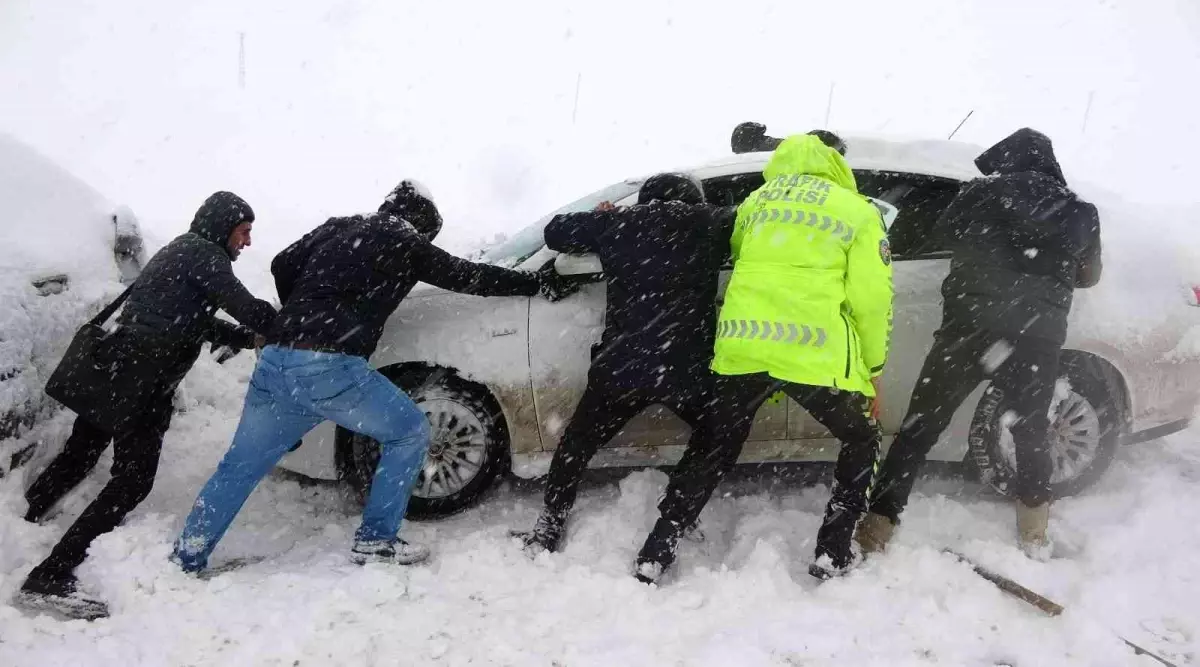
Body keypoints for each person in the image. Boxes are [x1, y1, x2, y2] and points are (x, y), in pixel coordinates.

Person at [170, 180, 578, 573]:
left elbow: (282, 263)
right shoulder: (405, 240)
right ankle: (376, 540)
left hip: (277, 360)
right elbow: (469, 276)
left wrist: (303, 310)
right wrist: (535, 281)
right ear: (422, 226)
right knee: (409, 431)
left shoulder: (341, 226)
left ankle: (188, 555)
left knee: (238, 466)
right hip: (329, 366)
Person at [636, 131, 894, 582]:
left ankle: (659, 545)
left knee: (714, 443)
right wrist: (870, 371)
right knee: (861, 438)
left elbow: (739, 256)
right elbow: (872, 300)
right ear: (835, 165)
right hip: (814, 352)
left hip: (746, 345)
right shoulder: (858, 211)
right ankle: (833, 549)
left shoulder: (755, 203)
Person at [18, 191, 277, 619]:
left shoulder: (181, 250)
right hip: (144, 379)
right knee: (132, 482)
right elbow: (246, 306)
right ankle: (51, 574)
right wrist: (290, 325)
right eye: (244, 231)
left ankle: (21, 527)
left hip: (118, 367)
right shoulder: (205, 255)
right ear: (224, 226)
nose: (246, 242)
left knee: (79, 455)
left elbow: (195, 321)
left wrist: (247, 339)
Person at [857, 128, 1102, 560]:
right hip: (1036, 336)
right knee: (1030, 433)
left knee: (919, 429)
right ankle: (1033, 535)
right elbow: (1089, 276)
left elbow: (943, 233)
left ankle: (878, 526)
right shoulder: (1081, 211)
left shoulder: (978, 193)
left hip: (969, 328)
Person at [510, 173, 734, 564]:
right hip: (686, 368)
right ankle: (674, 518)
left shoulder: (618, 224)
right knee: (718, 434)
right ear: (692, 199)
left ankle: (552, 520)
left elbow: (555, 231)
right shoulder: (712, 221)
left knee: (577, 444)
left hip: (623, 365)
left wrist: (604, 216)